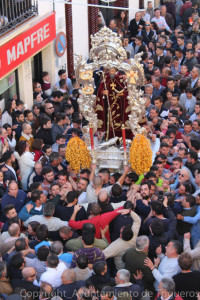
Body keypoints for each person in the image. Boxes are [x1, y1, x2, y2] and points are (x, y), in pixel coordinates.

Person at [96, 67, 129, 140]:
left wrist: (122, 94)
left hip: (119, 104)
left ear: (116, 71)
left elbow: (126, 90)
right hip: (109, 104)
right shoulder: (106, 79)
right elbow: (100, 91)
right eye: (110, 70)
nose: (111, 72)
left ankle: (121, 138)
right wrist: (103, 92)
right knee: (110, 120)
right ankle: (110, 136)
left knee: (119, 120)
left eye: (113, 71)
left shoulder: (120, 79)